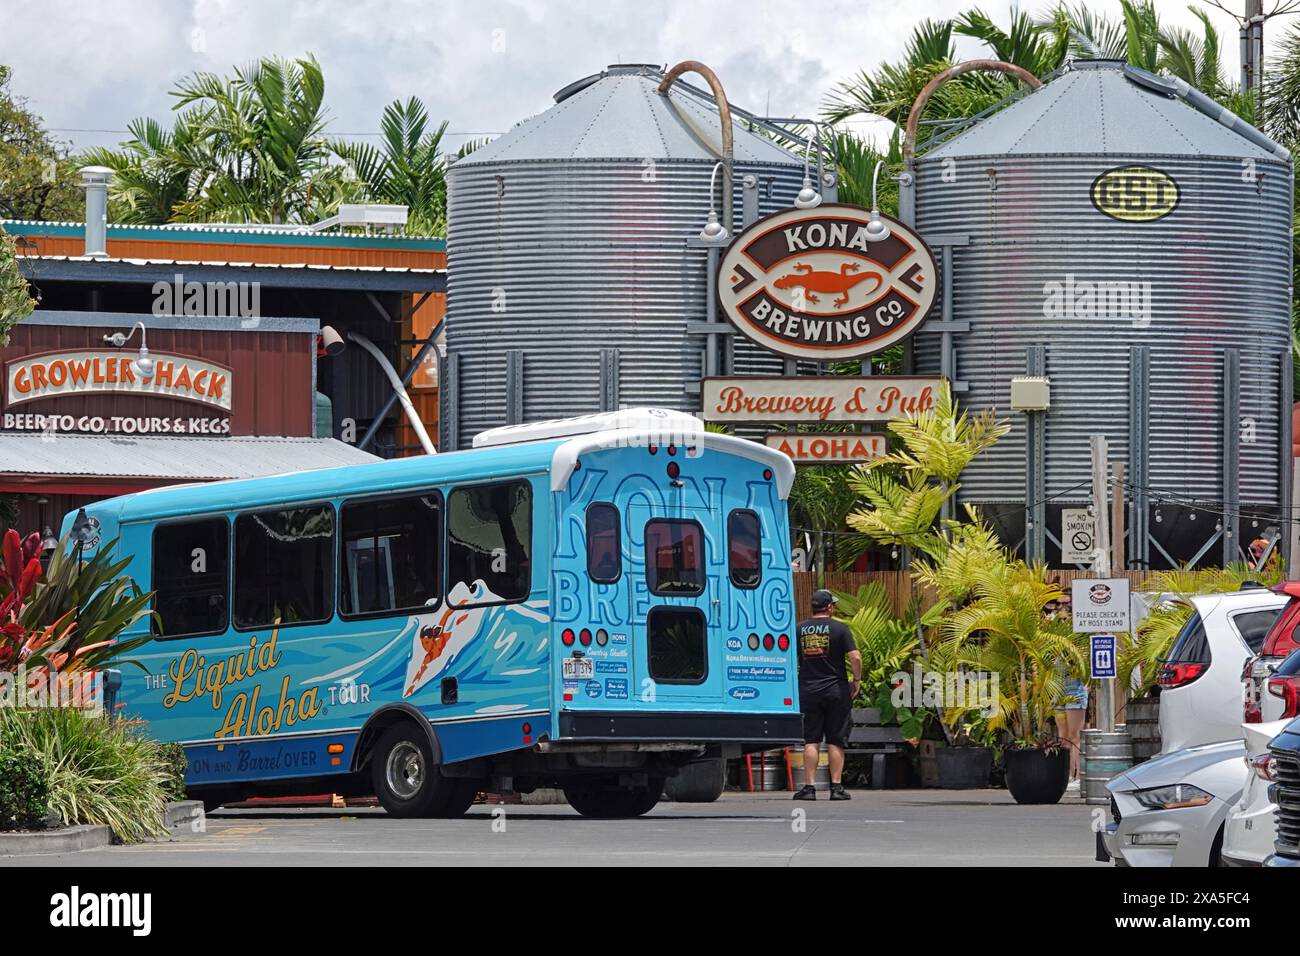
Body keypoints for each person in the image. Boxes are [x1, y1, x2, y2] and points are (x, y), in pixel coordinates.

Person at [793, 589, 861, 801]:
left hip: (808, 690)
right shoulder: (840, 628)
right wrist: (856, 680)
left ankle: (809, 788)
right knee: (835, 740)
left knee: (811, 740)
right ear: (829, 607)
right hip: (836, 691)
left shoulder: (799, 629)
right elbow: (855, 657)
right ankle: (837, 788)